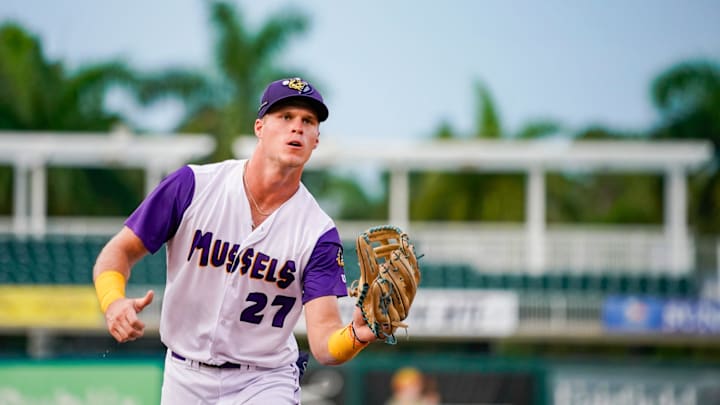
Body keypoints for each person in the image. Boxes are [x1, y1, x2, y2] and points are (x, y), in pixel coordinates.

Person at [93, 77, 381, 404]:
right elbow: (119, 251)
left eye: (308, 121)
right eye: (285, 117)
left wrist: (356, 335)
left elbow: (323, 340)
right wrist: (112, 301)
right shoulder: (193, 186)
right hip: (184, 376)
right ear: (259, 127)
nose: (297, 128)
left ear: (316, 140)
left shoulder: (317, 233)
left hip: (264, 380)